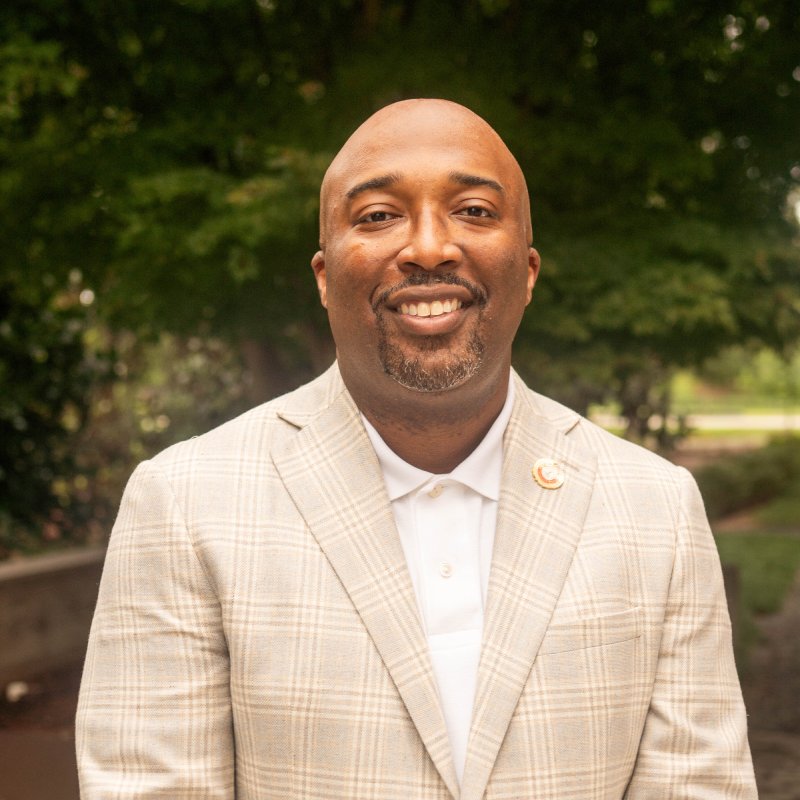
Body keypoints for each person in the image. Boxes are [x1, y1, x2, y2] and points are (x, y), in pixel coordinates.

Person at [76, 99, 757, 799]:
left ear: (527, 270)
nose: (430, 248)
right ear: (323, 276)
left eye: (474, 211)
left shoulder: (655, 509)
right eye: (378, 216)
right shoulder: (185, 505)